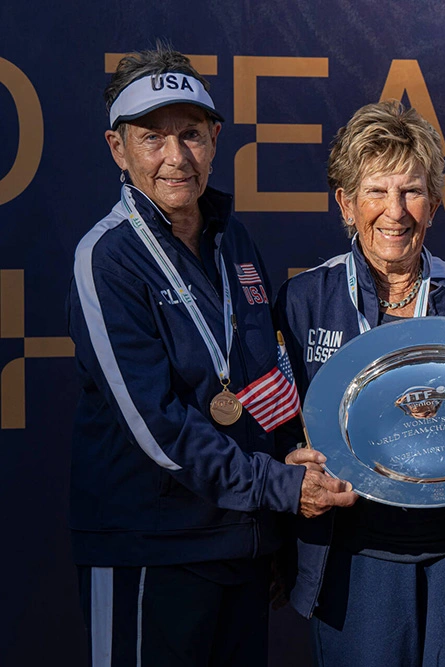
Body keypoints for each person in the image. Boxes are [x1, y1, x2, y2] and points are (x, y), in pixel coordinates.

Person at [68, 46, 355, 666]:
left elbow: (259, 380)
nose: (176, 157)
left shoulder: (235, 239)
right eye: (152, 138)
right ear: (118, 149)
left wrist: (278, 503)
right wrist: (277, 487)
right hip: (153, 548)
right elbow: (156, 425)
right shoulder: (108, 257)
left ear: (216, 138)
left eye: (191, 134)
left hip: (241, 545)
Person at [275, 100, 445, 666]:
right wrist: (290, 467)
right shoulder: (306, 300)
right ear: (345, 203)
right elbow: (280, 429)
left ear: (434, 203)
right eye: (376, 192)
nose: (395, 212)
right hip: (354, 564)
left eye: (411, 191)